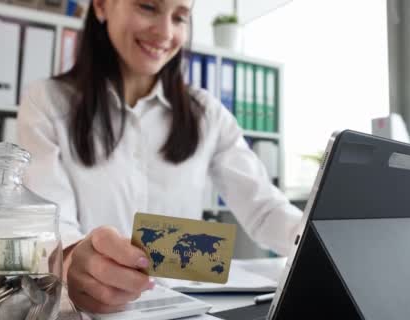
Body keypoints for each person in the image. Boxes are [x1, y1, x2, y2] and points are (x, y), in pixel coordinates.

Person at [17, 0, 302, 314]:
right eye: (148, 7)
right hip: (90, 311)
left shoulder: (207, 113)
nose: (165, 32)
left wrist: (318, 242)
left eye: (180, 17)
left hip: (186, 309)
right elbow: (51, 225)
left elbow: (264, 208)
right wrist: (75, 259)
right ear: (100, 5)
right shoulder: (47, 103)